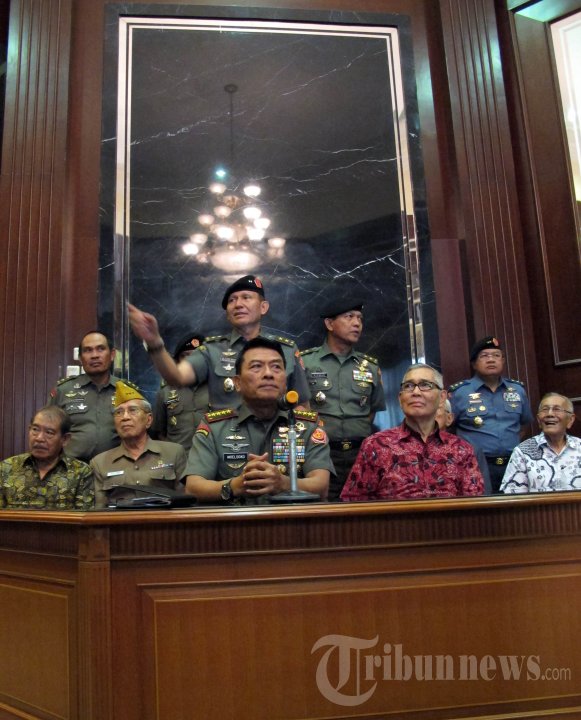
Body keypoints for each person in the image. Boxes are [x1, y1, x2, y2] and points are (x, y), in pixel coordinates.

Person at [127, 274, 310, 413]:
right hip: (227, 444)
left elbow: (302, 405)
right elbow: (177, 377)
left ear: (263, 307)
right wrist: (154, 342)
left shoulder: (286, 349)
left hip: (277, 443)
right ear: (227, 313)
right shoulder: (212, 350)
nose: (238, 304)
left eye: (246, 297)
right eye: (232, 300)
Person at [185, 337, 332, 505]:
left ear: (285, 383)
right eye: (256, 366)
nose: (268, 374)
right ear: (237, 383)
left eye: (276, 367)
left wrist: (283, 483)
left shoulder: (308, 426)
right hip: (235, 519)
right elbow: (193, 488)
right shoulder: (215, 428)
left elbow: (321, 486)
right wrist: (234, 486)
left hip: (290, 519)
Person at [340, 363, 484, 501]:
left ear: (442, 397)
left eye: (425, 385)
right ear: (400, 399)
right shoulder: (375, 445)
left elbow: (475, 507)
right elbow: (353, 503)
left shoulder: (462, 449)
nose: (415, 392)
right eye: (408, 386)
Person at [300, 299, 385, 500]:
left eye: (360, 319)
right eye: (349, 317)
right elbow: (299, 408)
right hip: (320, 453)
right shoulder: (306, 362)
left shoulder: (370, 367)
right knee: (322, 510)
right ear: (330, 324)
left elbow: (371, 411)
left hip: (360, 453)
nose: (357, 323)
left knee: (362, 510)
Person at [449, 336, 533, 493]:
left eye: (496, 355)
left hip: (514, 464)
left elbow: (524, 425)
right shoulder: (459, 393)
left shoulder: (517, 390)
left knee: (515, 507)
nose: (491, 360)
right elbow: (448, 429)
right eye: (484, 356)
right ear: (474, 363)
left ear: (503, 361)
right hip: (475, 465)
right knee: (482, 507)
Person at [91, 381, 187, 508]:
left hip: (164, 520)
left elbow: (185, 503)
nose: (125, 417)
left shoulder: (173, 453)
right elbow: (99, 512)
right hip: (119, 520)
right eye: (119, 412)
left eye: (133, 410)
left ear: (149, 420)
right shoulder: (100, 463)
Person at [0, 406, 94, 509]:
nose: (39, 438)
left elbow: (84, 516)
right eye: (35, 430)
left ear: (65, 439)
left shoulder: (80, 472)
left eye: (49, 432)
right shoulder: (6, 468)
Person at [48, 331, 122, 461]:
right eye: (88, 350)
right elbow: (48, 430)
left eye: (101, 349)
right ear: (80, 358)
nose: (95, 355)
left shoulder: (126, 390)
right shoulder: (63, 390)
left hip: (114, 467)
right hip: (71, 467)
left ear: (112, 355)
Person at [500, 393, 581, 493]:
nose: (550, 414)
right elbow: (513, 495)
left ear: (570, 420)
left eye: (557, 409)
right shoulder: (522, 451)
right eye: (545, 409)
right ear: (538, 420)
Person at [151, 332, 208, 451]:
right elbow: (158, 433)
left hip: (212, 458)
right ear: (177, 361)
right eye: (185, 356)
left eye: (197, 356)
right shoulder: (166, 392)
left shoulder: (219, 388)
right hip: (179, 459)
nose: (192, 361)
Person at [436, 398, 492, 495]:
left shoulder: (467, 450)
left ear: (449, 418)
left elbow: (483, 494)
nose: (427, 415)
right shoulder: (407, 449)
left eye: (435, 409)